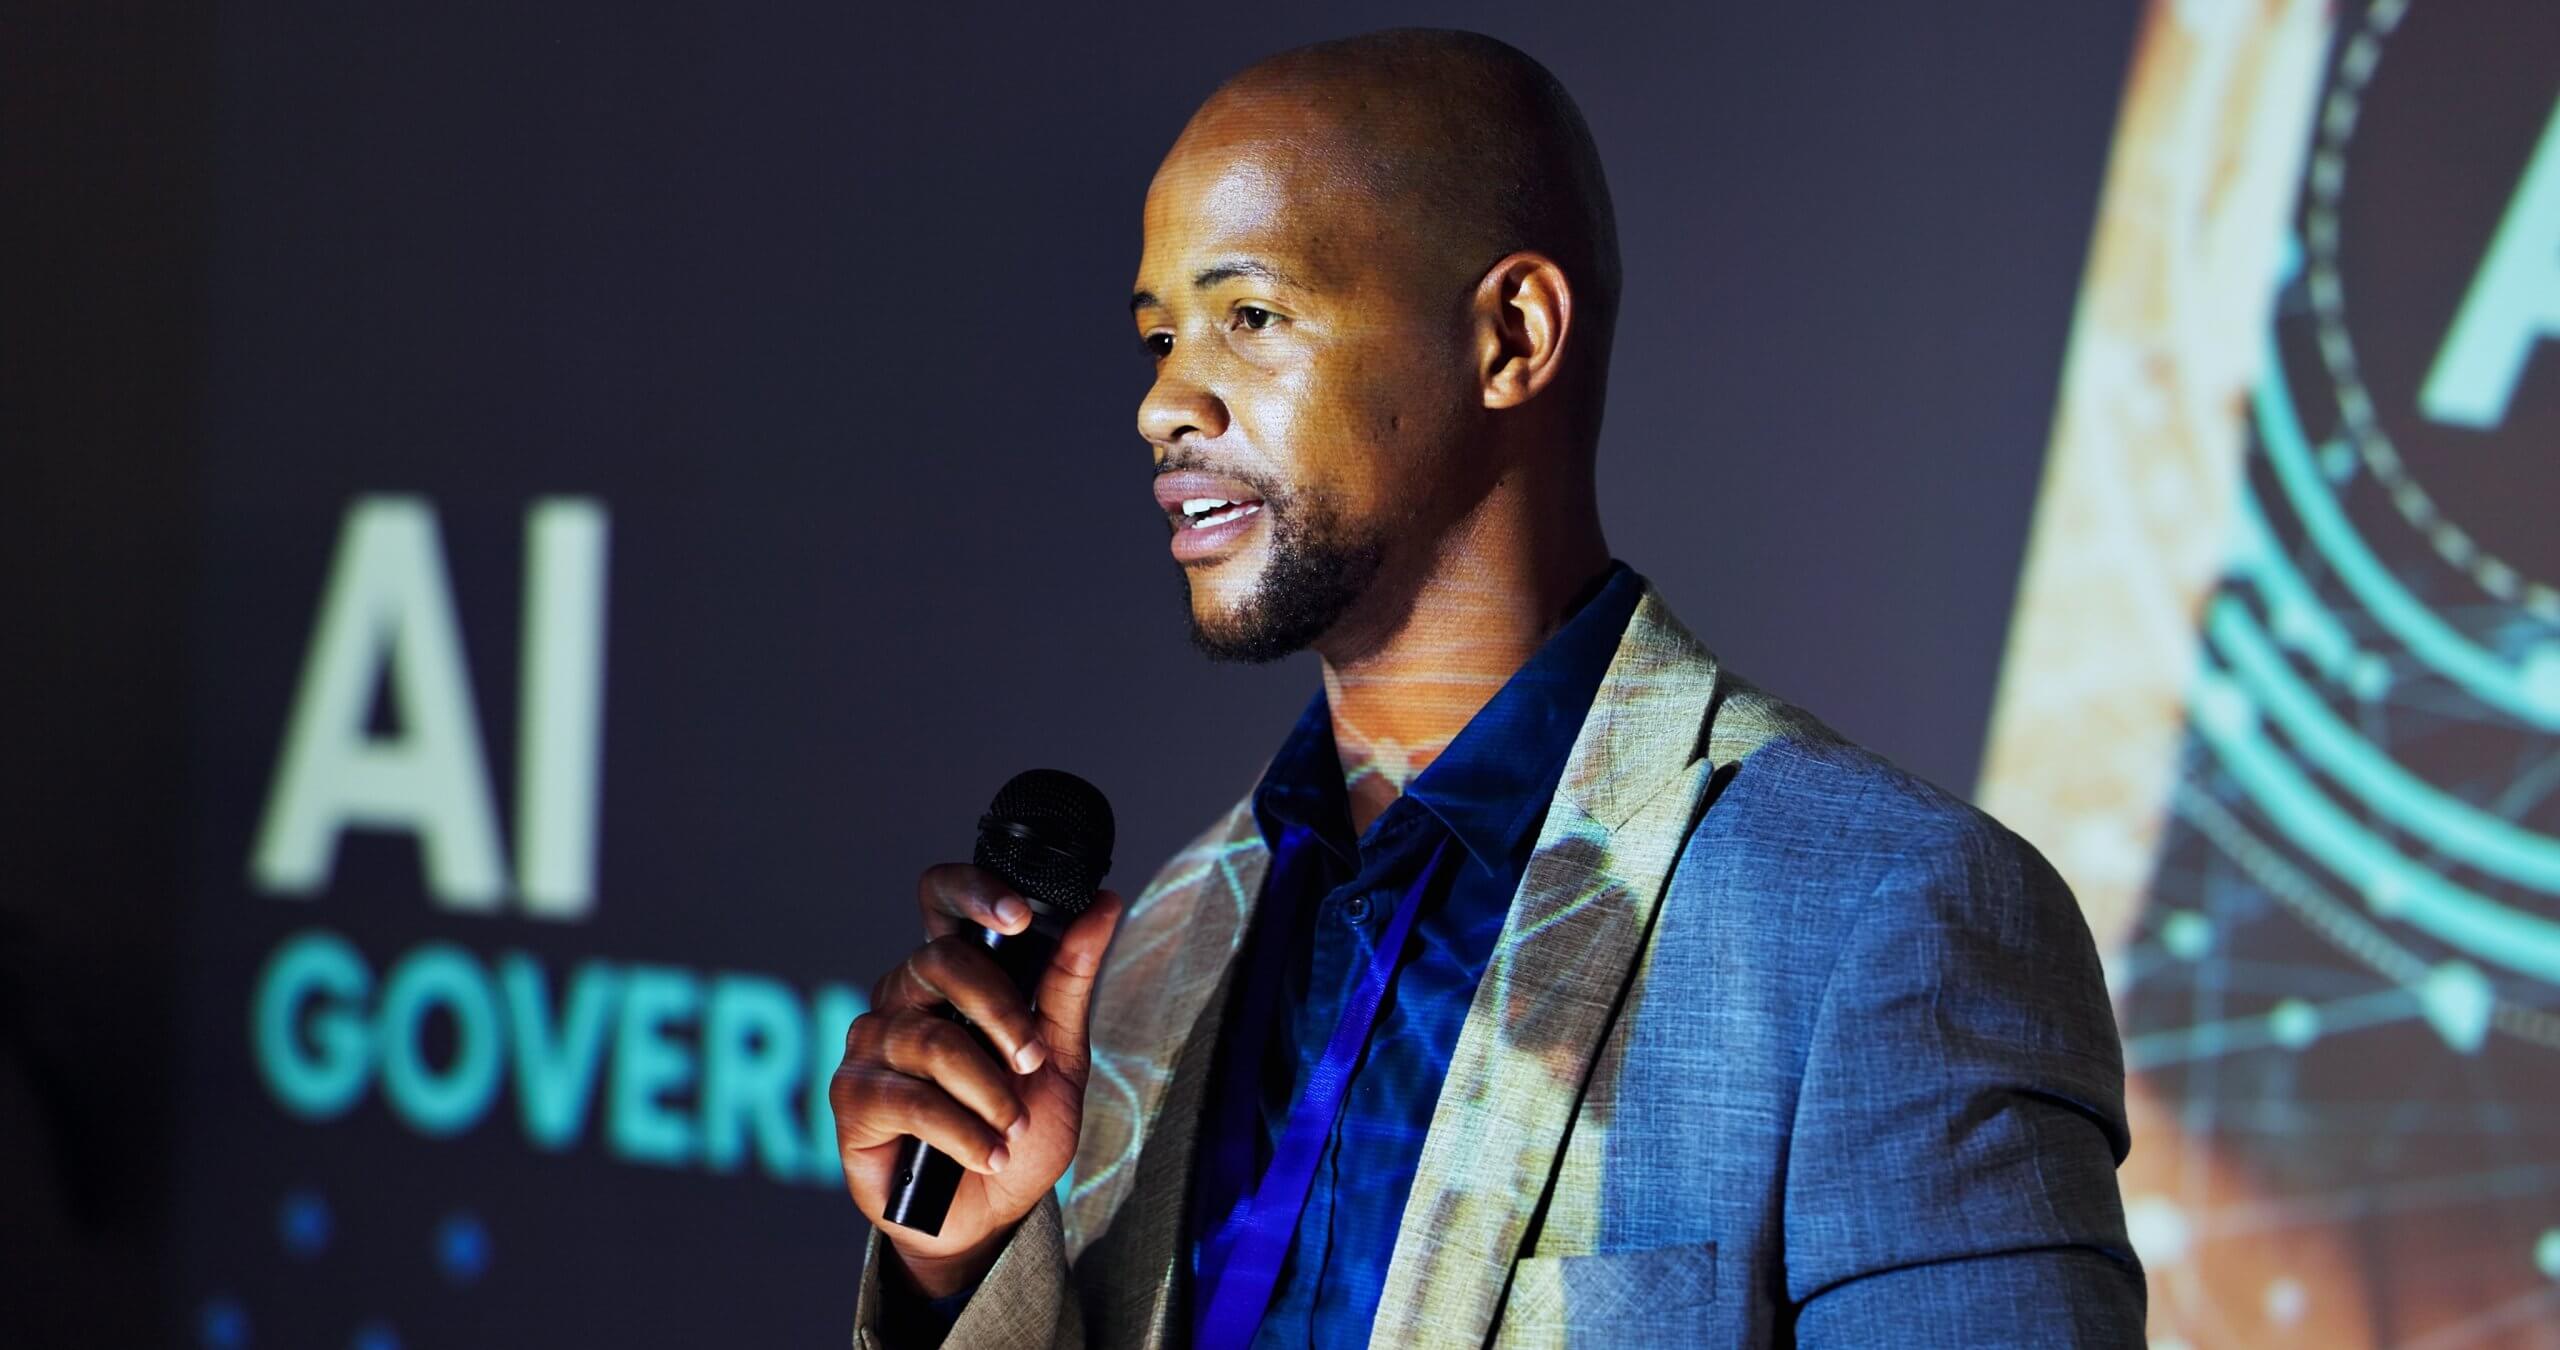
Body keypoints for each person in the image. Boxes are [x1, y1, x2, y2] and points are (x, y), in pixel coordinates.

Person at [829, 28, 2143, 1349]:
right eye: (1161, 335)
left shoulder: (1881, 918)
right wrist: (967, 1260)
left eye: (1249, 316)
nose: (1165, 401)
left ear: (1512, 334)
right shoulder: (1155, 951)